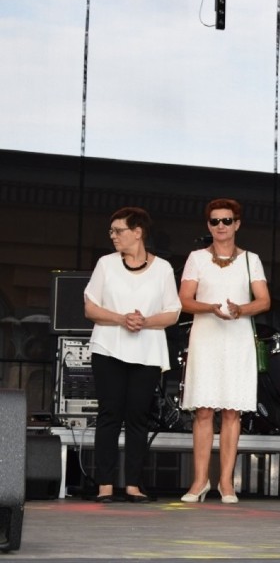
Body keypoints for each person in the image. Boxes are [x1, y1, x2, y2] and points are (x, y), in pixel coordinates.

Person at [83, 207, 181, 503]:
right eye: (111, 231)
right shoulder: (105, 264)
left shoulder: (163, 268)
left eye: (118, 231)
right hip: (109, 347)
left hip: (147, 350)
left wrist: (145, 321)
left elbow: (173, 311)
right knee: (109, 415)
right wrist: (121, 318)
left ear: (137, 232)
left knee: (138, 416)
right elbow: (90, 307)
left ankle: (134, 485)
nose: (113, 236)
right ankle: (104, 484)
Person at [178, 198, 271, 504]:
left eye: (226, 221)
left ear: (237, 224)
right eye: (215, 221)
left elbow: (264, 300)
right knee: (203, 411)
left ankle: (226, 483)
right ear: (209, 226)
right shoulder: (196, 258)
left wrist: (240, 309)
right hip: (206, 336)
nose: (221, 226)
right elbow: (184, 300)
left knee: (232, 411)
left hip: (237, 338)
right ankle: (199, 482)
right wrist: (211, 308)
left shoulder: (251, 260)